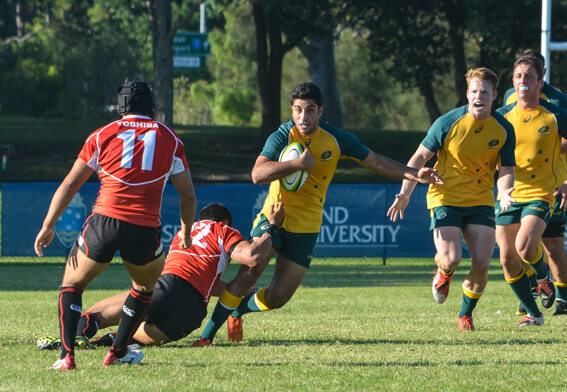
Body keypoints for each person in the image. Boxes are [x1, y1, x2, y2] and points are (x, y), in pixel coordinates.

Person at [194, 81, 443, 344]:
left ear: (320, 112)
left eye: (310, 110)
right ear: (292, 111)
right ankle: (207, 336)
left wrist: (416, 173)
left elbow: (376, 161)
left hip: (306, 228)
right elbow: (257, 174)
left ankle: (239, 309)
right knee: (251, 268)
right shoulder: (281, 136)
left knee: (278, 298)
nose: (303, 116)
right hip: (274, 217)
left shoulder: (337, 139)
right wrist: (296, 164)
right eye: (298, 109)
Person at [34, 80, 197, 370]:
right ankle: (118, 351)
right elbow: (187, 194)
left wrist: (49, 224)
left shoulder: (101, 135)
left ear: (121, 106)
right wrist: (185, 230)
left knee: (72, 284)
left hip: (103, 223)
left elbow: (71, 183)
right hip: (144, 228)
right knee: (144, 288)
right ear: (152, 106)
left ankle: (66, 357)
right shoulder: (171, 139)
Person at [37, 203, 283, 349]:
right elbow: (248, 257)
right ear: (225, 221)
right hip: (192, 315)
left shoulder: (184, 234)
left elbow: (246, 257)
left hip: (168, 288)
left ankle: (73, 339)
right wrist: (271, 228)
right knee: (133, 337)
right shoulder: (223, 230)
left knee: (96, 315)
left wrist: (269, 230)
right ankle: (98, 344)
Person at [387, 68, 516, 331]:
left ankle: (465, 315)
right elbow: (418, 159)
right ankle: (443, 273)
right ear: (467, 94)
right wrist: (404, 194)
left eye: (484, 92)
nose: (478, 96)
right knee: (451, 258)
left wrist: (504, 191)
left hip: (480, 199)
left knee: (481, 263)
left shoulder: (504, 129)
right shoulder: (447, 123)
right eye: (474, 91)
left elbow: (506, 170)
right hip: (445, 196)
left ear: (494, 95)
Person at [496, 56, 567, 326]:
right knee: (510, 254)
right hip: (512, 190)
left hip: (551, 186)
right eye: (518, 76)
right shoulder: (505, 106)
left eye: (529, 75)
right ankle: (533, 298)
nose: (523, 81)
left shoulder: (557, 106)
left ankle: (561, 296)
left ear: (542, 78)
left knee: (550, 246)